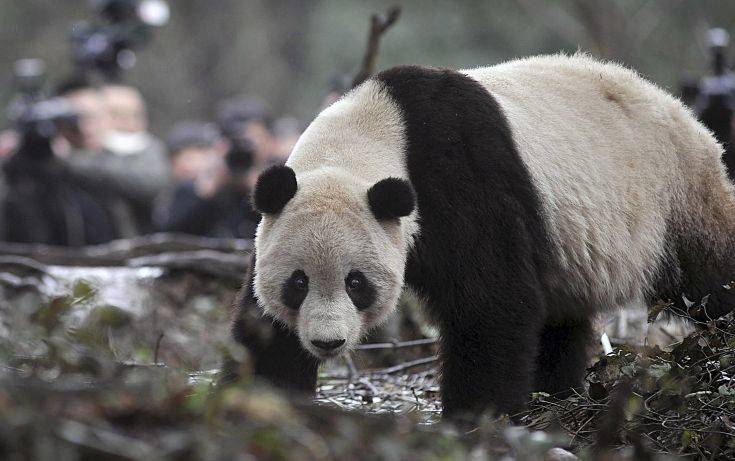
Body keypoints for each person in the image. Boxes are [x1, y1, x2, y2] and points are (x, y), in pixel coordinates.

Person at [58, 83, 170, 234]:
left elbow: (151, 182)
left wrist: (72, 162)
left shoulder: (143, 150)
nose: (126, 122)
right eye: (116, 115)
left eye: (134, 115)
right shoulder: (71, 149)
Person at [153, 121, 259, 239]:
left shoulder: (238, 189)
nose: (198, 163)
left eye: (203, 156)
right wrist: (205, 194)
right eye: (190, 158)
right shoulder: (182, 192)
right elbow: (169, 234)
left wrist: (257, 191)